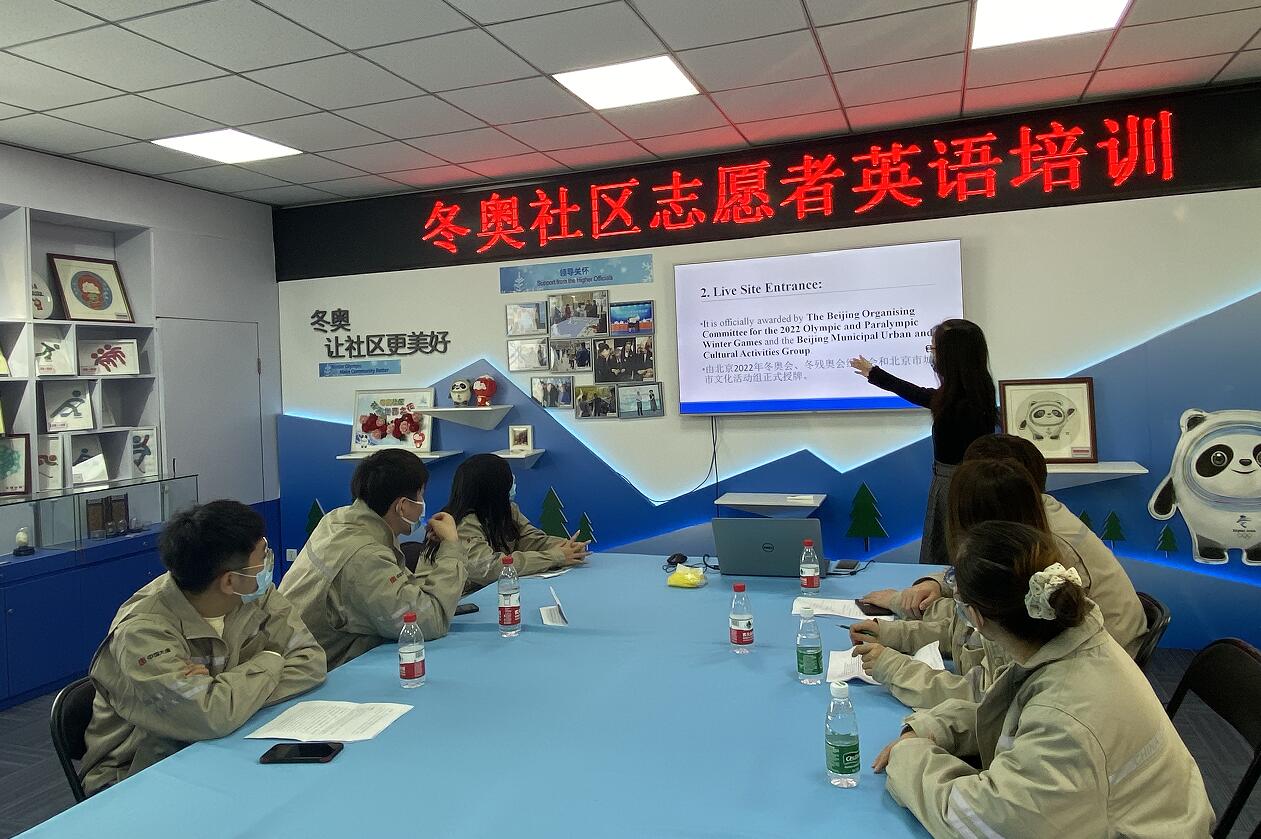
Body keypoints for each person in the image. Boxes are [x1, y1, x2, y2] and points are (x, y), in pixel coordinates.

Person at [876, 520, 1213, 838]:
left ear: (975, 617)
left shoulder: (1065, 716)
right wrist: (936, 727)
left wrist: (910, 756)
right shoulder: (1068, 642)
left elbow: (981, 822)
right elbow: (1009, 711)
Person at [81, 500, 326, 793]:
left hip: (222, 744)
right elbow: (211, 716)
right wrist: (271, 659)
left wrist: (225, 696)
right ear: (229, 580)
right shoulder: (143, 631)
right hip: (136, 776)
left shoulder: (253, 593)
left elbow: (311, 660)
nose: (267, 563)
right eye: (263, 556)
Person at [879, 433, 1148, 653]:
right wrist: (937, 583)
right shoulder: (1030, 518)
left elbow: (989, 629)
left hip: (1103, 655)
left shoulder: (1044, 547)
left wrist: (901, 607)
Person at [280, 449, 466, 669]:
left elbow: (409, 593)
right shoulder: (365, 556)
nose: (423, 503)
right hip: (323, 671)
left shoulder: (339, 520)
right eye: (420, 496)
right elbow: (431, 620)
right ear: (402, 506)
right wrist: (451, 546)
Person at [850, 319, 997, 563]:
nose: (932, 355)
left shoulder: (966, 402)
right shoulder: (970, 391)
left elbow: (925, 397)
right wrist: (875, 374)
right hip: (954, 482)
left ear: (952, 355)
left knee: (952, 554)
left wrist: (876, 374)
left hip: (958, 486)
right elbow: (923, 395)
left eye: (934, 349)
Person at [442, 454, 590, 591]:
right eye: (509, 478)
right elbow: (489, 568)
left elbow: (529, 539)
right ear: (495, 487)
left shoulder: (507, 510)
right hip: (466, 598)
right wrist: (555, 557)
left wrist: (567, 548)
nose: (513, 481)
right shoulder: (462, 523)